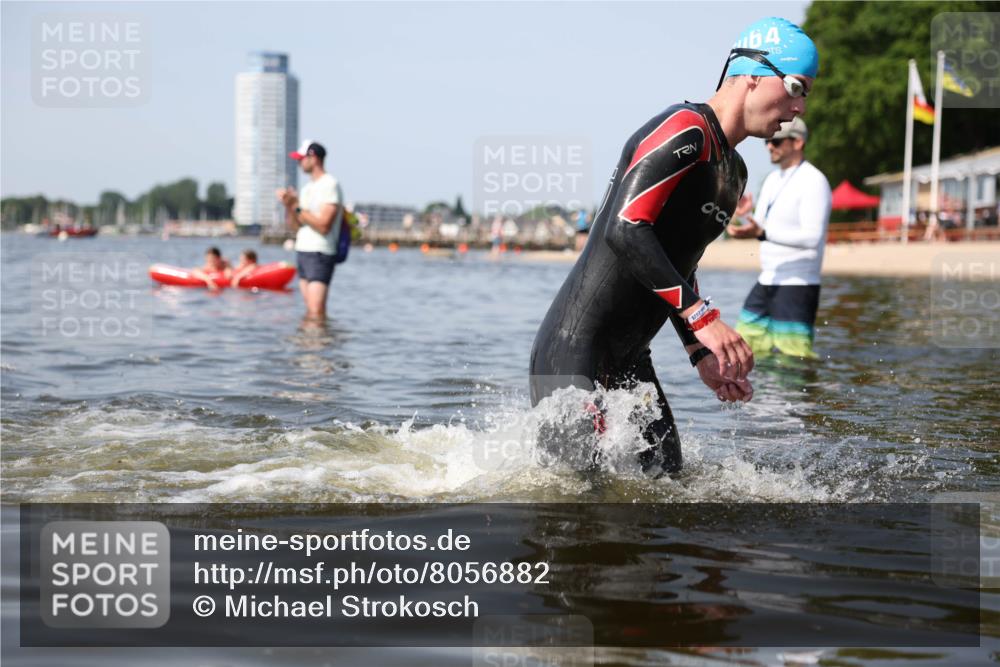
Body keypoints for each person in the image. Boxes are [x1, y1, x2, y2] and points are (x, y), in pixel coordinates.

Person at [529, 17, 818, 476]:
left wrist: (699, 352)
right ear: (753, 76)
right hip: (574, 350)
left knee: (670, 484)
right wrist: (703, 318)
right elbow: (625, 228)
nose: (800, 106)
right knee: (573, 510)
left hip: (631, 358)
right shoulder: (686, 128)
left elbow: (680, 261)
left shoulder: (734, 173)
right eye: (797, 86)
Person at [727, 117, 831, 359]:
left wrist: (761, 233)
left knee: (793, 359)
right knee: (744, 350)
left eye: (776, 141)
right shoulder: (773, 180)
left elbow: (812, 238)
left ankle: (801, 398)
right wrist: (743, 218)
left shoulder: (814, 181)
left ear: (798, 142)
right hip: (767, 279)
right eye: (767, 142)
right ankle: (759, 399)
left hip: (798, 283)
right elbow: (760, 227)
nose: (769, 147)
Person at [277, 140, 343, 320]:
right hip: (303, 250)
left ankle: (318, 346)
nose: (299, 162)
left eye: (301, 158)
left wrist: (297, 207)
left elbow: (323, 225)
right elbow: (296, 226)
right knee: (310, 311)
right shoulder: (306, 188)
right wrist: (289, 206)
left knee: (316, 311)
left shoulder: (329, 184)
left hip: (320, 252)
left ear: (313, 157)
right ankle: (309, 346)